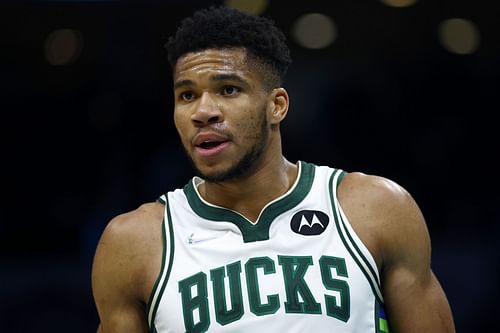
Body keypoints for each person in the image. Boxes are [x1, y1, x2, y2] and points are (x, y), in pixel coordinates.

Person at [91, 5, 456, 333]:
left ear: (277, 105)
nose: (203, 112)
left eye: (229, 90)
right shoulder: (133, 243)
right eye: (187, 95)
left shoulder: (374, 209)